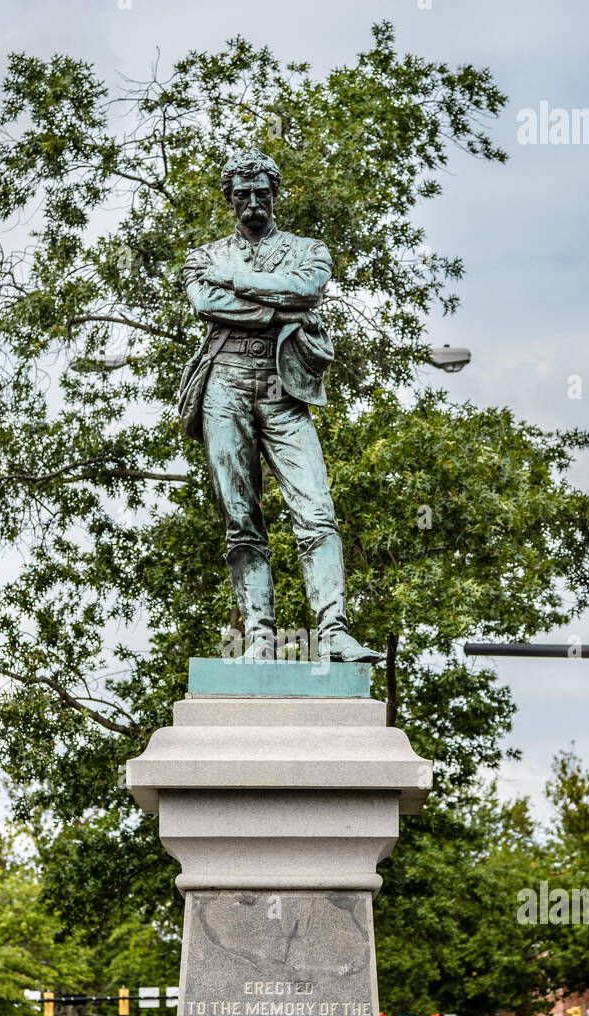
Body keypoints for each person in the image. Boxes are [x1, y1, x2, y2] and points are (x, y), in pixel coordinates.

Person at [180, 149, 382, 664]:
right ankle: (260, 638)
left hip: (282, 386)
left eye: (261, 193)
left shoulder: (306, 249)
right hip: (223, 384)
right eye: (242, 194)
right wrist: (277, 305)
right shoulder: (203, 256)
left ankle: (333, 632)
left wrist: (239, 283)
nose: (252, 202)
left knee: (316, 507)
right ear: (229, 199)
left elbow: (308, 289)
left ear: (275, 194)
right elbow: (206, 304)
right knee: (241, 518)